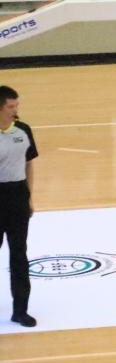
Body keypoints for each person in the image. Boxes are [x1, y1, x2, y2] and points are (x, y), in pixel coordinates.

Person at [0, 87, 37, 328]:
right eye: (11, 107)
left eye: (17, 106)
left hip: (17, 198)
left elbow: (29, 164)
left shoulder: (23, 130)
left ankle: (20, 310)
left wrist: (29, 197)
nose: (16, 111)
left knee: (19, 256)